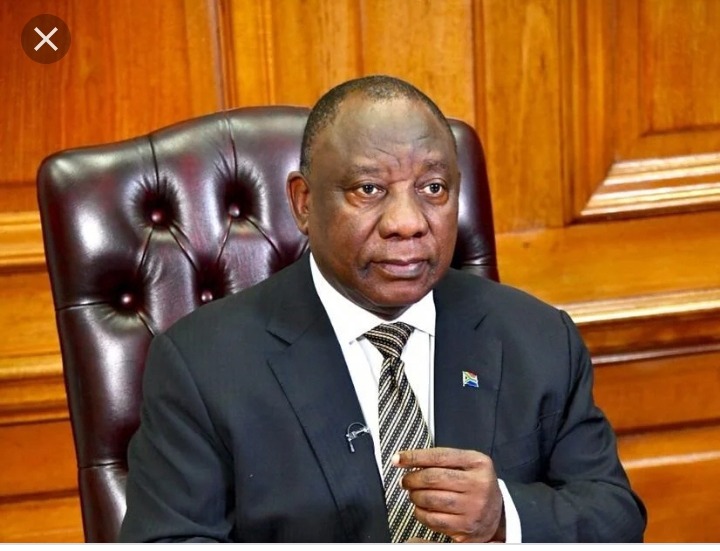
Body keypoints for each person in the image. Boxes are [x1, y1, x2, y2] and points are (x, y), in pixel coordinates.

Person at [118, 75, 646, 543]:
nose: (407, 223)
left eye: (433, 188)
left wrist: (504, 516)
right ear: (304, 203)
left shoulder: (538, 337)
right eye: (369, 189)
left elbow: (615, 519)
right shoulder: (203, 366)